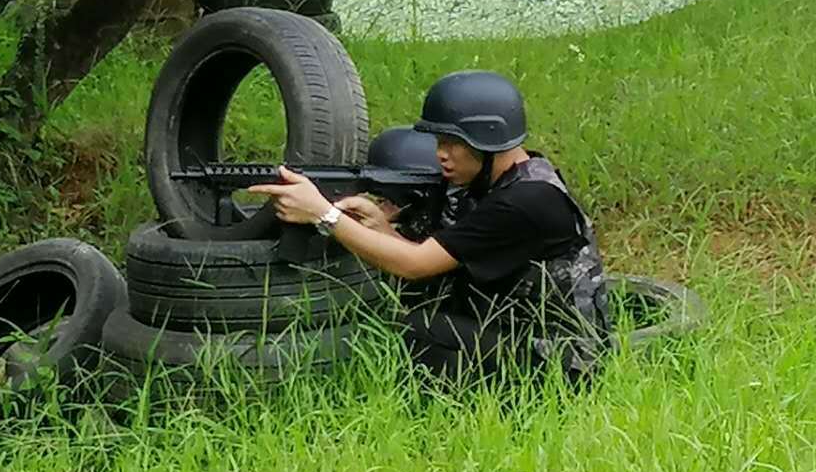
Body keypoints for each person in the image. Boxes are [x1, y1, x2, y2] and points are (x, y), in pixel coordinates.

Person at [248, 69, 609, 384]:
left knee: (409, 328)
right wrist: (381, 229)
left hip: (564, 361)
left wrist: (324, 215)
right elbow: (438, 254)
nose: (440, 154)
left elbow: (415, 265)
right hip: (534, 340)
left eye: (451, 144)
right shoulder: (518, 179)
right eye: (439, 142)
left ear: (486, 139)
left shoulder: (525, 202)